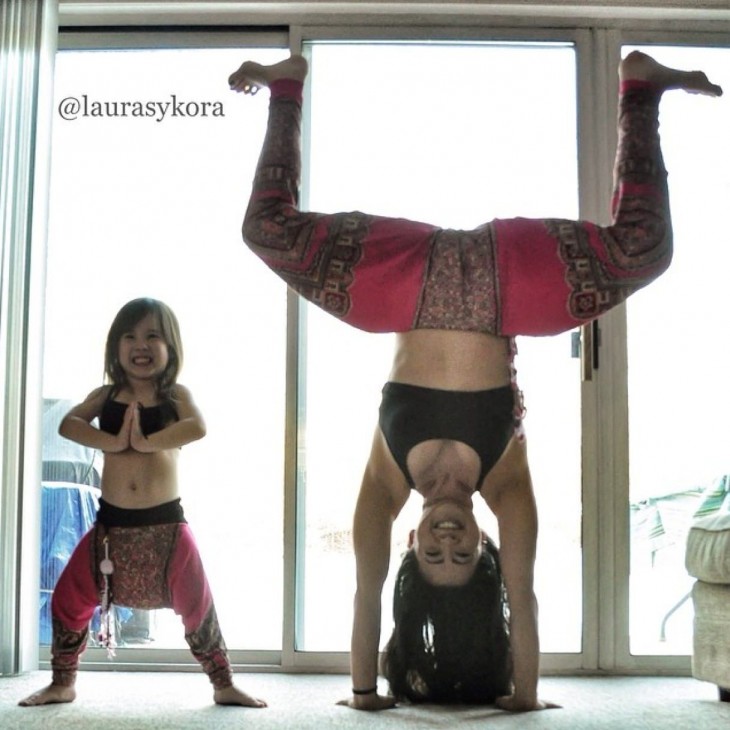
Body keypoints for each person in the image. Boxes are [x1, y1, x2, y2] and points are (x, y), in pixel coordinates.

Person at [228, 51, 722, 712]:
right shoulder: (505, 482)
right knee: (646, 250)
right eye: (463, 557)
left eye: (433, 557)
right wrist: (524, 696)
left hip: (403, 280)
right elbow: (523, 594)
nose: (447, 544)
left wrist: (362, 691)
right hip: (504, 284)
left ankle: (285, 86)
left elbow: (366, 593)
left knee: (263, 231)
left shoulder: (385, 484)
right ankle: (639, 92)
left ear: (413, 544)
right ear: (485, 545)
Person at [19, 298, 266, 709]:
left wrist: (146, 442)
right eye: (130, 336)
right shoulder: (106, 395)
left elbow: (198, 427)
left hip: (166, 527)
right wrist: (114, 442)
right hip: (111, 529)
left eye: (154, 335)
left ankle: (223, 683)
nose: (141, 344)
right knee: (68, 596)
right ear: (115, 347)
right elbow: (69, 423)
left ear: (171, 347)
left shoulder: (175, 397)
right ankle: (63, 681)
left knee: (197, 602)